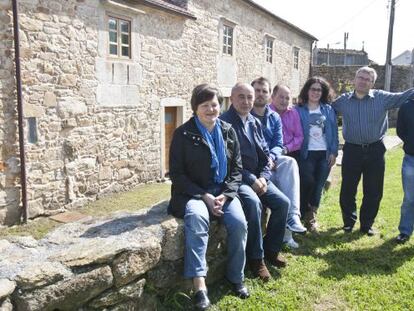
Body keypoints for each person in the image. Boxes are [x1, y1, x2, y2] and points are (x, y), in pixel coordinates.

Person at [168, 84, 249, 310]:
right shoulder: (183, 134)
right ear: (195, 108)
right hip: (193, 194)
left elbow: (236, 170)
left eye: (214, 104)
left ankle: (236, 277)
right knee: (197, 218)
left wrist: (225, 195)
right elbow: (177, 175)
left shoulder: (227, 130)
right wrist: (204, 196)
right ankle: (200, 286)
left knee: (240, 223)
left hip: (223, 192)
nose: (211, 110)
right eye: (205, 106)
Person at [333, 66, 414, 235]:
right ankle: (348, 222)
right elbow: (325, 108)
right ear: (354, 79)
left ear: (372, 83)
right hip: (352, 150)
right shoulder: (343, 101)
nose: (363, 81)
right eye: (360, 77)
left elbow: (403, 96)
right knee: (348, 188)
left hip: (375, 150)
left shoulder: (382, 98)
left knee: (374, 190)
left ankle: (366, 224)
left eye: (367, 79)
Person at [220, 82, 289, 282]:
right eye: (241, 97)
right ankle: (256, 260)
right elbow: (229, 162)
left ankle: (271, 250)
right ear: (231, 99)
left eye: (249, 97)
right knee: (254, 203)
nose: (246, 101)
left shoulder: (254, 122)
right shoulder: (224, 123)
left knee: (283, 203)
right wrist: (251, 180)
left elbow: (265, 155)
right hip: (236, 180)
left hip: (258, 178)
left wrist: (263, 178)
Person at [250, 77, 306, 250]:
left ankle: (293, 218)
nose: (260, 94)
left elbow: (278, 143)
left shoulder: (273, 117)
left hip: (272, 162)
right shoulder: (244, 114)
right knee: (282, 187)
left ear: (268, 95)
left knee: (289, 164)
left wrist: (272, 157)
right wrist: (266, 158)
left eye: (264, 91)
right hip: (252, 168)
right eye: (257, 90)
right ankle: (279, 237)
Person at [296, 76, 338, 232]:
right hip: (306, 153)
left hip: (324, 153)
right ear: (307, 90)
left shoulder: (327, 109)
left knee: (319, 184)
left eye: (319, 90)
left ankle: (312, 216)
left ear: (323, 92)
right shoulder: (298, 109)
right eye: (313, 89)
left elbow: (334, 132)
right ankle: (300, 211)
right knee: (307, 181)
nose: (315, 92)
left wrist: (334, 152)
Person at [395, 98, 414, 244]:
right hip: (411, 159)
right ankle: (405, 231)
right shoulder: (407, 106)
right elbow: (400, 130)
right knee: (409, 198)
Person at [270, 84, 304, 162]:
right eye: (281, 97)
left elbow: (299, 137)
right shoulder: (267, 113)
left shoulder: (293, 113)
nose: (284, 101)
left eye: (287, 98)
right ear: (272, 97)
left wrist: (287, 148)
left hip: (291, 152)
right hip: (270, 153)